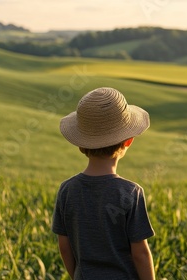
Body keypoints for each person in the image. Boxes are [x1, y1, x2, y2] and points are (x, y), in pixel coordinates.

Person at [52, 87, 155, 280]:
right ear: (128, 141)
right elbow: (140, 254)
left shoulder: (67, 190)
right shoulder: (131, 193)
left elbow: (64, 246)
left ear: (81, 144)